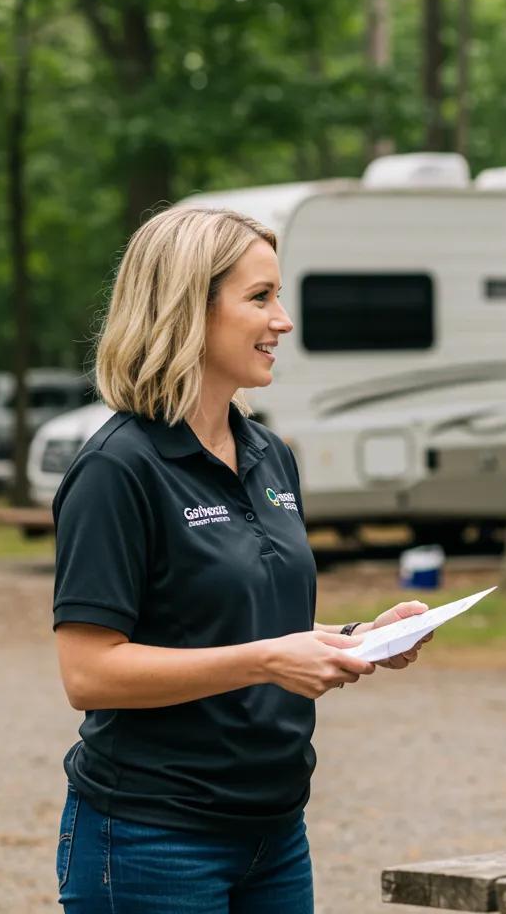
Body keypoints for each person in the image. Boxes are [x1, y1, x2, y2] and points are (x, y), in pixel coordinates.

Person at [53, 208, 431, 912]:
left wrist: (356, 641)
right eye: (260, 298)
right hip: (150, 839)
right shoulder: (117, 469)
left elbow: (251, 621)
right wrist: (265, 660)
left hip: (275, 832)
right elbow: (89, 672)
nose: (283, 321)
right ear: (187, 310)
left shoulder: (269, 453)